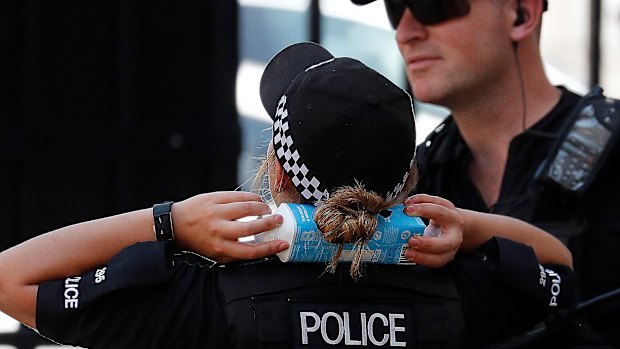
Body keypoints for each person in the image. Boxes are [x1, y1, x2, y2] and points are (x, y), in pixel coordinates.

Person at [0, 42, 574, 349]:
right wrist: (465, 228)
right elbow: (559, 263)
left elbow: (11, 278)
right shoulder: (462, 293)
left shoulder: (204, 304)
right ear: (411, 182)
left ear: (275, 173)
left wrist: (168, 222)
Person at [350, 0, 620, 346]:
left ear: (522, 14)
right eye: (394, 9)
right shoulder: (404, 183)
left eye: (430, 7)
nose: (405, 32)